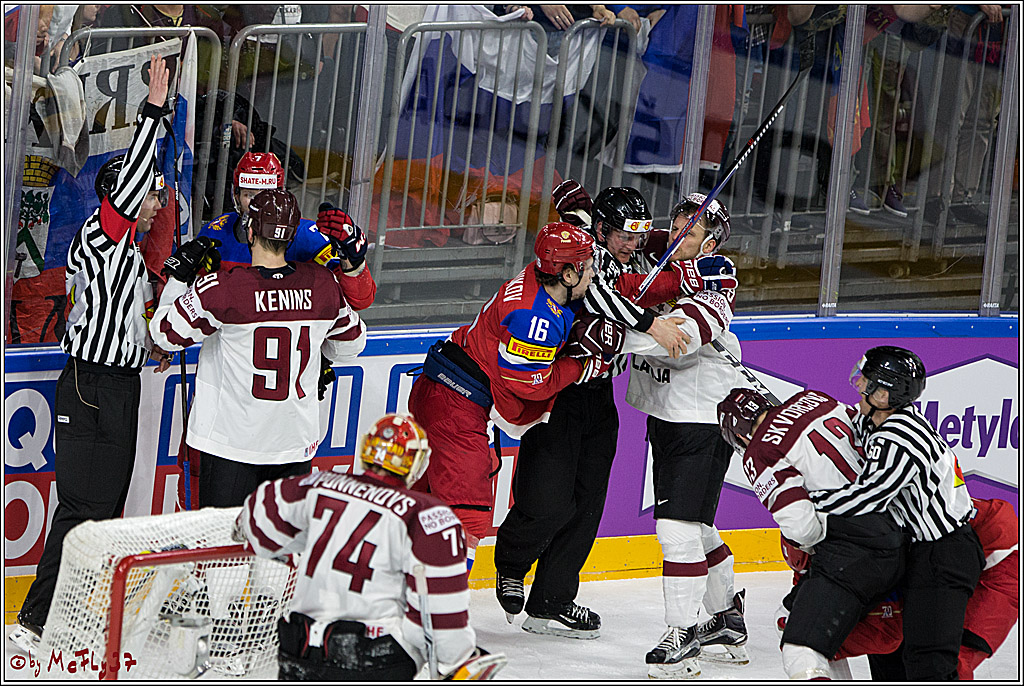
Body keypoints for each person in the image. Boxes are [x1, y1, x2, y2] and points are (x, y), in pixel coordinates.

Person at [493, 183, 729, 641]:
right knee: (548, 499)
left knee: (587, 505)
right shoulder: (584, 257)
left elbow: (666, 243)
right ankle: (511, 565)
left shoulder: (636, 248)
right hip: (558, 393)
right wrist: (651, 324)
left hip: (600, 395)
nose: (634, 243)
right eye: (624, 234)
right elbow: (599, 297)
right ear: (601, 229)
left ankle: (553, 601)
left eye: (640, 234)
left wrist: (695, 241)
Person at [12, 56, 173, 651]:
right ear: (121, 200)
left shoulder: (126, 252)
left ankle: (76, 613)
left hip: (119, 383)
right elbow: (132, 183)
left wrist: (149, 341)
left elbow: (125, 314)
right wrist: (153, 112)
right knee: (81, 508)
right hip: (89, 384)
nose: (157, 200)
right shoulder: (101, 234)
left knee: (103, 508)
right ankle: (33, 619)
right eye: (148, 193)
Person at [235, 413, 506, 681]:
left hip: (298, 648)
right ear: (416, 463)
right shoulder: (427, 514)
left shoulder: (318, 485)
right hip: (373, 658)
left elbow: (255, 523)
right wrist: (459, 659)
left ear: (367, 450)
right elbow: (441, 618)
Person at [407, 222, 611, 575]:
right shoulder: (536, 318)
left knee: (427, 506)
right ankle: (437, 612)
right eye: (588, 267)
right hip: (456, 407)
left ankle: (402, 600)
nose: (593, 274)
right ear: (566, 274)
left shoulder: (540, 277)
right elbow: (529, 384)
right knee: (467, 516)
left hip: (444, 393)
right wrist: (581, 367)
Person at [177, 152, 375, 508]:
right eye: (248, 195)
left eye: (265, 193)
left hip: (287, 402)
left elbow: (358, 302)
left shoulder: (310, 237)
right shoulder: (217, 233)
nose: (256, 203)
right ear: (235, 193)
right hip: (235, 392)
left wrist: (353, 261)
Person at [620, 194, 747, 678]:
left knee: (675, 531)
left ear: (710, 243)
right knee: (696, 526)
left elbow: (676, 337)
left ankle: (683, 633)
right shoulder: (660, 263)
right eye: (675, 229)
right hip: (668, 414)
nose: (677, 238)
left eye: (689, 233)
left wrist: (610, 332)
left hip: (701, 418)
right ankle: (729, 619)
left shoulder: (716, 286)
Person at [813, 346, 984, 680]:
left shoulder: (900, 436)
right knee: (890, 655)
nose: (859, 385)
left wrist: (809, 508)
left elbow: (868, 497)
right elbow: (849, 431)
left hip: (944, 556)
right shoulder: (880, 420)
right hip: (915, 553)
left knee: (927, 660)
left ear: (885, 392)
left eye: (867, 382)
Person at [716, 386, 906, 680]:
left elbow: (803, 528)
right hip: (911, 523)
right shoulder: (816, 398)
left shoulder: (758, 452)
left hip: (862, 548)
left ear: (740, 436)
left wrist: (810, 550)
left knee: (797, 633)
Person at [819, 496, 1018, 680]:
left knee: (941, 666)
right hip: (936, 561)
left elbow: (888, 634)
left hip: (994, 573)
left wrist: (819, 638)